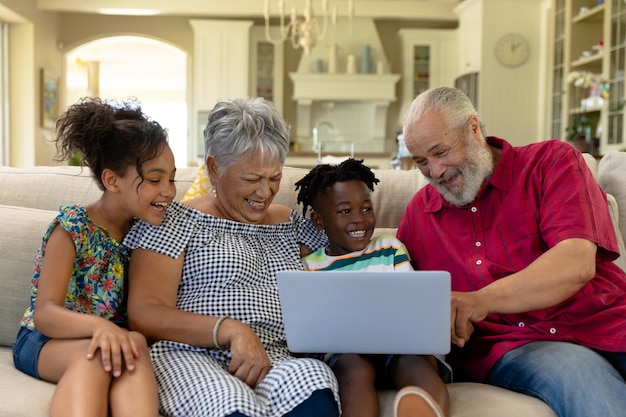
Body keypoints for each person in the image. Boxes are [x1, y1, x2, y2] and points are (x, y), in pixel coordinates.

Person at [397, 86, 626, 417]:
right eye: (421, 161)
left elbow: (576, 263)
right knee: (580, 376)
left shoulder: (551, 162)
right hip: (514, 347)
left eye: (441, 152)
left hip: (605, 320)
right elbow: (406, 302)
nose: (434, 172)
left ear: (473, 129)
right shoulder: (421, 214)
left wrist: (479, 300)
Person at [124, 97, 340, 417]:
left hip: (276, 359)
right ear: (214, 168)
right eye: (252, 179)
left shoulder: (287, 220)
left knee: (316, 382)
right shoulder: (174, 220)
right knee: (232, 404)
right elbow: (144, 312)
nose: (265, 193)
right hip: (193, 356)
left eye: (274, 178)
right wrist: (231, 329)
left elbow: (345, 258)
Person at [12, 97, 176, 417]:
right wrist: (101, 328)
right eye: (156, 180)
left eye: (171, 178)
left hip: (117, 341)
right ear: (111, 180)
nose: (169, 190)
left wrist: (114, 333)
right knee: (100, 354)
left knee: (134, 345)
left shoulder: (150, 234)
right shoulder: (73, 229)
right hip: (47, 339)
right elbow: (45, 313)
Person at [295, 158, 451, 417]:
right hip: (348, 355)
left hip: (400, 346)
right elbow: (307, 329)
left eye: (366, 209)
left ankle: (427, 410)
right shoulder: (310, 267)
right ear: (319, 221)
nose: (360, 220)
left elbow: (412, 301)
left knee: (414, 362)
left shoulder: (389, 248)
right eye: (345, 211)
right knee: (353, 368)